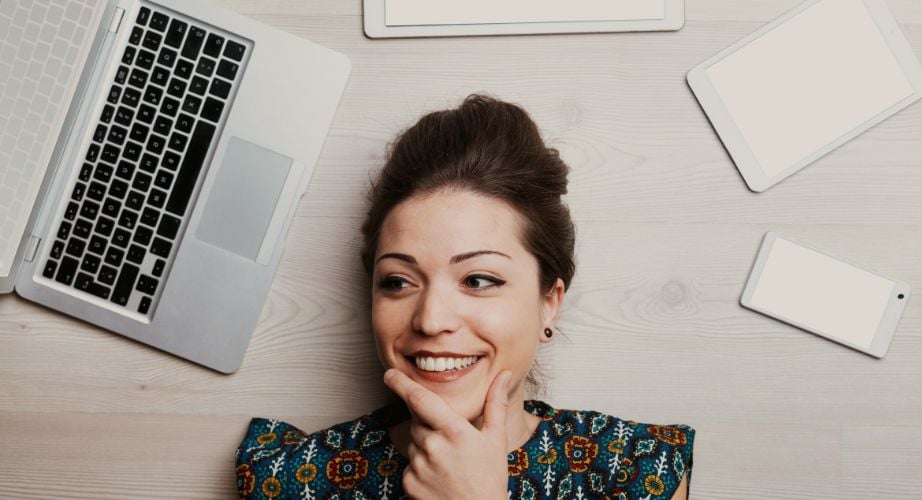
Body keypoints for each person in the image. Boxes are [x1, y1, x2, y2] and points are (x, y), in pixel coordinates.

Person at [235, 95, 694, 499]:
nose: (431, 320)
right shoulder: (297, 479)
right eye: (397, 281)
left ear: (548, 303)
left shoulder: (635, 472)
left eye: (478, 280)